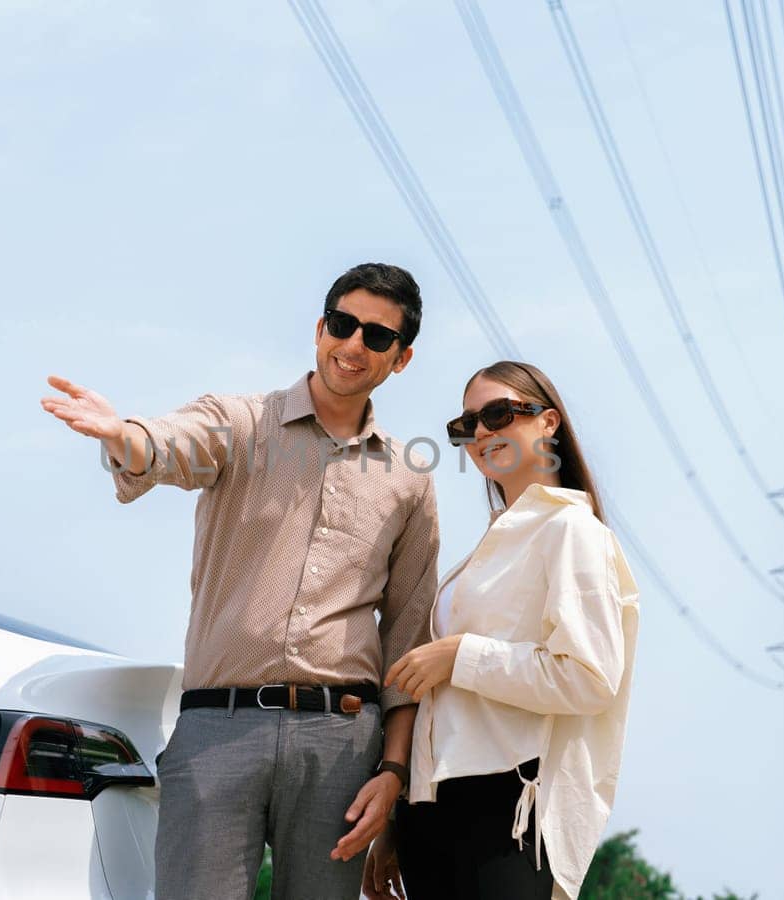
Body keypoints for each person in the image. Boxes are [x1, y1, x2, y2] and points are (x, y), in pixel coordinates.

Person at [40, 263, 440, 900]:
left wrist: (393, 769)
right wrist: (125, 435)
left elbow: (409, 633)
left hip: (341, 743)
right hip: (217, 728)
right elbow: (170, 445)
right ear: (319, 328)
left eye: (377, 336)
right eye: (342, 324)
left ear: (402, 357)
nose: (354, 345)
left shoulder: (409, 477)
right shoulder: (240, 422)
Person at [364, 360, 641, 900]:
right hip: (436, 814)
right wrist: (400, 818)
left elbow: (589, 678)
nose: (483, 433)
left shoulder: (572, 531)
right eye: (467, 425)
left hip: (508, 811)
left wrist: (459, 656)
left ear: (549, 422)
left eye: (498, 413)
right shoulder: (489, 548)